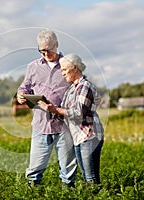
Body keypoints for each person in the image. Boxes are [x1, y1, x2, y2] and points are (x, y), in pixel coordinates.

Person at [17, 30, 77, 187]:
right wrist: (21, 94)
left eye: (49, 50)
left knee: (68, 168)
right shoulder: (33, 67)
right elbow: (25, 87)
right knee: (35, 168)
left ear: (56, 45)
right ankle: (32, 192)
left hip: (64, 125)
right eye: (42, 50)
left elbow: (80, 87)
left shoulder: (69, 65)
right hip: (41, 124)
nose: (45, 54)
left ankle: (68, 192)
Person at [38, 53, 104, 184]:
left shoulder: (85, 86)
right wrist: (48, 107)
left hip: (89, 135)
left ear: (74, 68)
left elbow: (78, 112)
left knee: (91, 177)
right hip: (79, 136)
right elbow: (65, 112)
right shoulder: (71, 89)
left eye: (64, 69)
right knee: (86, 176)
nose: (62, 73)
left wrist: (55, 109)